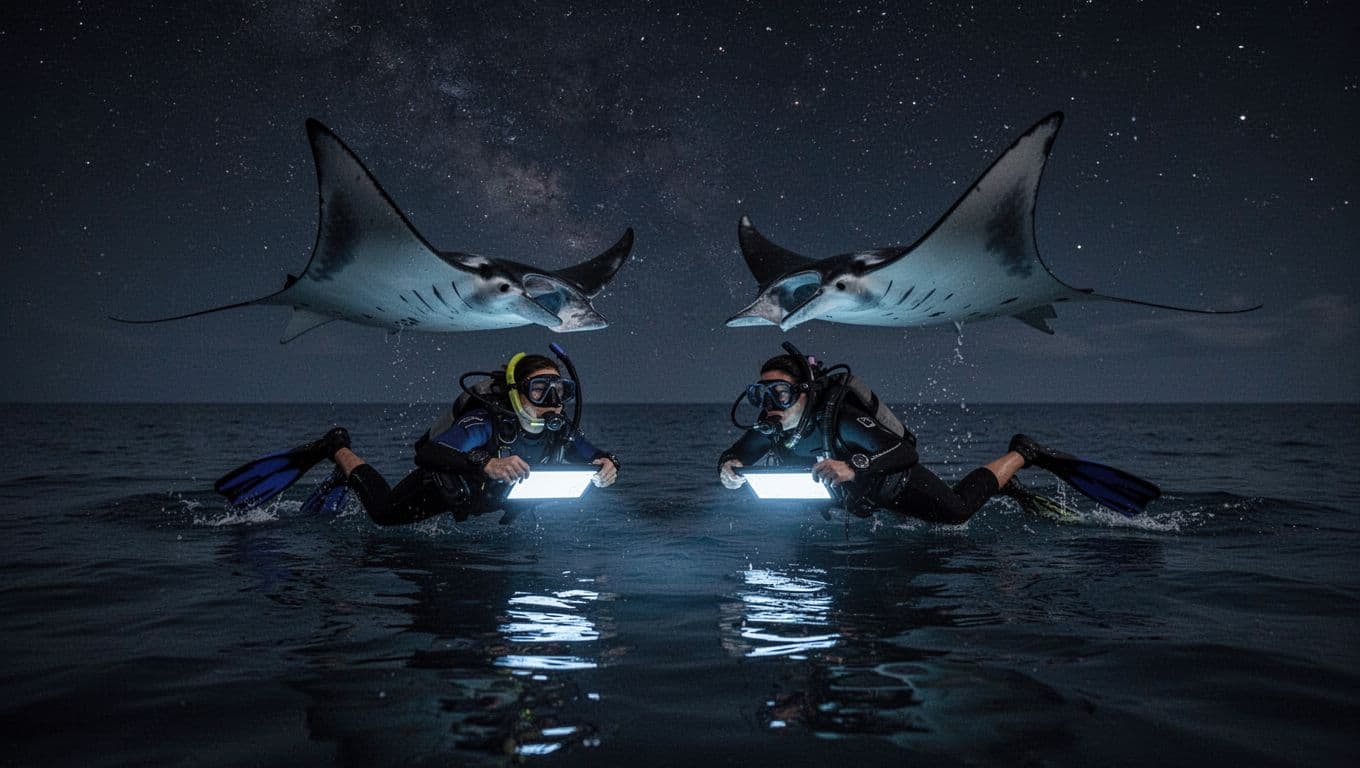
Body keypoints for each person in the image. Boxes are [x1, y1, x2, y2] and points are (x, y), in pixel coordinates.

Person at [717, 350, 1051, 524]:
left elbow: (904, 452)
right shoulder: (771, 426)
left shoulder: (840, 419)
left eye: (780, 393)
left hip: (895, 481)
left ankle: (1022, 452)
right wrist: (729, 468)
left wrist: (852, 467)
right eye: (762, 395)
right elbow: (737, 454)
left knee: (957, 512)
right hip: (862, 499)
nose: (771, 405)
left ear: (806, 392)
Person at [306, 351, 619, 526]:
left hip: (485, 501)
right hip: (441, 489)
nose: (552, 400)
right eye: (539, 390)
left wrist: (606, 464)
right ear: (516, 392)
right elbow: (429, 453)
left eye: (559, 390)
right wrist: (487, 463)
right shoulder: (486, 421)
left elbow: (594, 454)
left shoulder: (560, 428)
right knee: (384, 514)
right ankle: (337, 447)